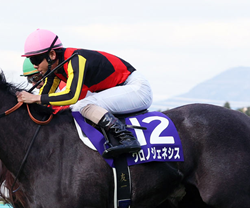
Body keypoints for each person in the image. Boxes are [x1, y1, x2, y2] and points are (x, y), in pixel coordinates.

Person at [16, 29, 152, 158]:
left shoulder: (75, 59)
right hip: (118, 90)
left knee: (82, 105)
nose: (34, 65)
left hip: (136, 88)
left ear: (52, 54)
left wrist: (35, 98)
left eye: (36, 60)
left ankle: (127, 138)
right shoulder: (56, 68)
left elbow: (71, 96)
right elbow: (46, 97)